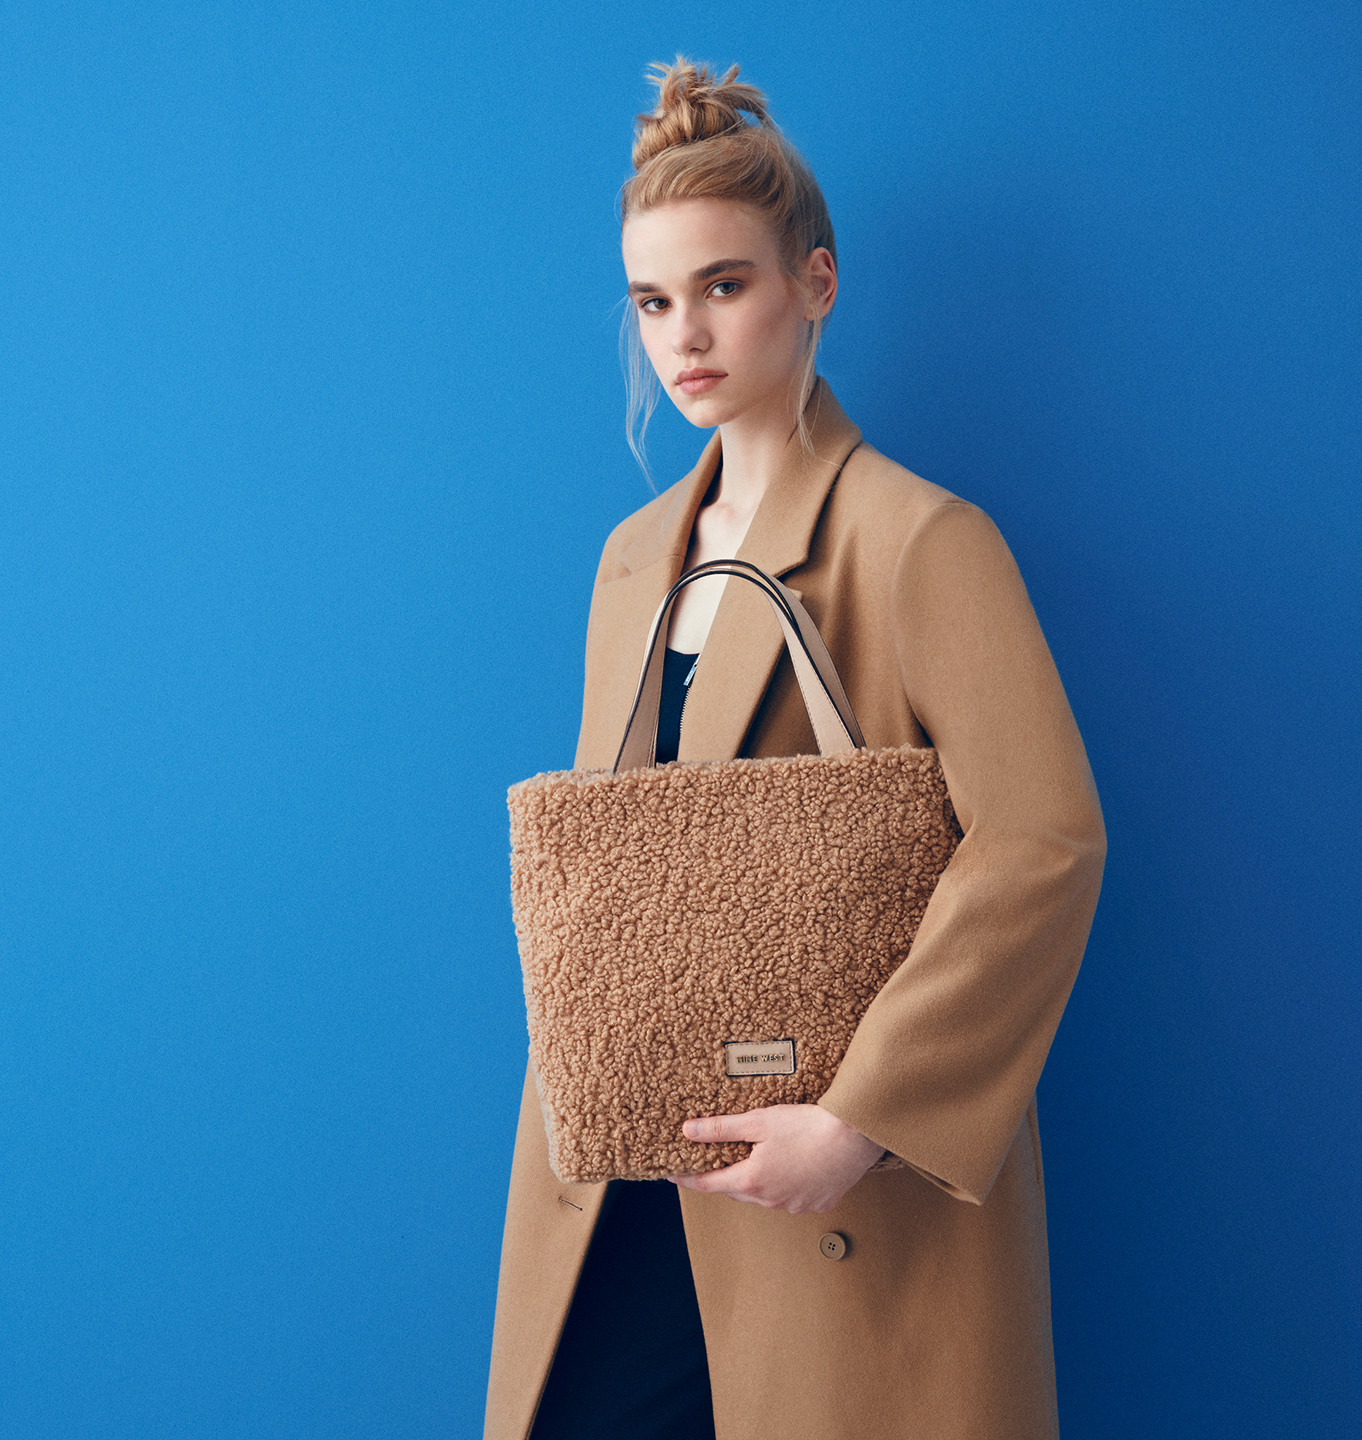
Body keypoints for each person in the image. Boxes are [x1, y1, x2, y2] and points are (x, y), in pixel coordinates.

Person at [484, 58, 1106, 1440]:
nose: (685, 335)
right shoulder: (633, 560)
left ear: (815, 283)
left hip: (830, 1184)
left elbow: (1043, 842)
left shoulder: (919, 540)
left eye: (724, 284)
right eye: (654, 301)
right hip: (625, 1163)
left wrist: (861, 1119)